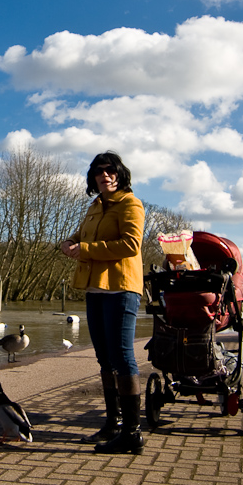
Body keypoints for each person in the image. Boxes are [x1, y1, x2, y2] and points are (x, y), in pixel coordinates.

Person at [61, 151, 145, 454]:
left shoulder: (130, 204)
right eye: (99, 172)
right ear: (93, 178)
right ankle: (112, 423)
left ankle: (132, 433)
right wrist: (69, 242)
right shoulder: (95, 207)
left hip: (121, 288)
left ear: (120, 174)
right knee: (104, 359)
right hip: (94, 289)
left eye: (110, 171)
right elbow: (82, 236)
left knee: (123, 357)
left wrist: (84, 249)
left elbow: (130, 244)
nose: (105, 176)